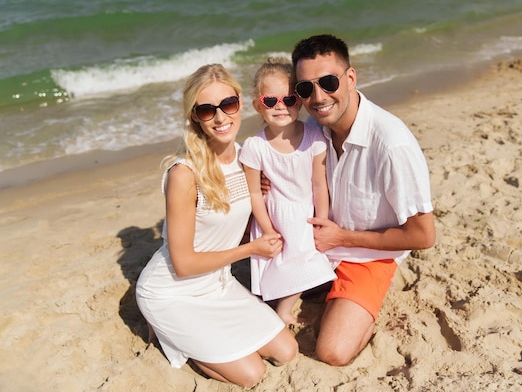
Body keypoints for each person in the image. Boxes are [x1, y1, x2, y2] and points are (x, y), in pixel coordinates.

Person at [135, 64, 298, 388]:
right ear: (196, 116)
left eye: (228, 104)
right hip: (172, 292)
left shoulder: (247, 156)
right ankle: (169, 331)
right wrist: (251, 249)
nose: (221, 117)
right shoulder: (184, 174)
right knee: (252, 374)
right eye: (208, 110)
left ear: (240, 103)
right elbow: (183, 264)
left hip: (217, 285)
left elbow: (235, 218)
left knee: (287, 351)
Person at [291, 34, 436, 366]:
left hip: (369, 255)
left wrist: (341, 238)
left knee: (333, 351)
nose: (318, 97)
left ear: (351, 78)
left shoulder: (391, 144)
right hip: (321, 246)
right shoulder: (314, 129)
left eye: (328, 82)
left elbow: (423, 236)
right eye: (304, 89)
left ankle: (372, 301)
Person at [239, 58, 337, 325]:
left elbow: (319, 184)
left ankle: (286, 305)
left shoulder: (314, 137)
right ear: (259, 105)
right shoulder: (254, 147)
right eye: (271, 101)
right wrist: (267, 228)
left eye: (289, 99)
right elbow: (254, 194)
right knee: (285, 264)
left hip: (305, 212)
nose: (281, 106)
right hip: (274, 216)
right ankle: (282, 308)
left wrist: (323, 219)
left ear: (300, 101)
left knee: (308, 257)